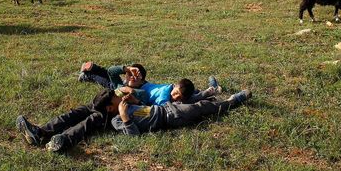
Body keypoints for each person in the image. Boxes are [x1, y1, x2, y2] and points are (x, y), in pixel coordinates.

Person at [110, 80, 252, 136]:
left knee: (191, 98)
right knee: (201, 106)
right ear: (110, 108)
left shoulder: (127, 106)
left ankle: (210, 91)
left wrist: (135, 101)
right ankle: (232, 101)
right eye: (117, 98)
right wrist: (124, 117)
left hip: (166, 107)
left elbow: (145, 111)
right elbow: (134, 134)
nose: (121, 98)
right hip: (169, 116)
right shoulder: (117, 119)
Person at [16, 89, 123, 153]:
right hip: (98, 105)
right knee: (73, 114)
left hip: (109, 116)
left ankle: (63, 141)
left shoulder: (125, 106)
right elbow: (111, 72)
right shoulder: (122, 95)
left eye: (118, 96)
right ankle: (39, 132)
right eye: (118, 96)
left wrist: (133, 100)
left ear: (110, 107)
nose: (120, 96)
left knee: (88, 122)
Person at [78, 61, 221, 105]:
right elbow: (111, 72)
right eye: (129, 75)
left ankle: (211, 90)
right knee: (109, 83)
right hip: (122, 89)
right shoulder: (121, 86)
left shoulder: (144, 86)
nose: (132, 78)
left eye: (137, 76)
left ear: (143, 79)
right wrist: (126, 68)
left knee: (192, 94)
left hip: (166, 91)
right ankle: (88, 75)